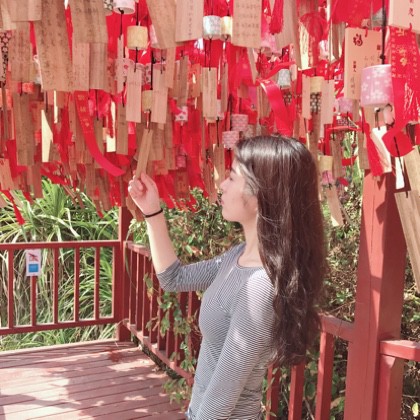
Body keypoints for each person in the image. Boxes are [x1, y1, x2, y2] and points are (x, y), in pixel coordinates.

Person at [128, 135, 325, 420]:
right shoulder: (238, 257)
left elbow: (221, 401)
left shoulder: (258, 287)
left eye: (232, 177)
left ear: (260, 195)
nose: (222, 184)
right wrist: (152, 212)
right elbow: (174, 278)